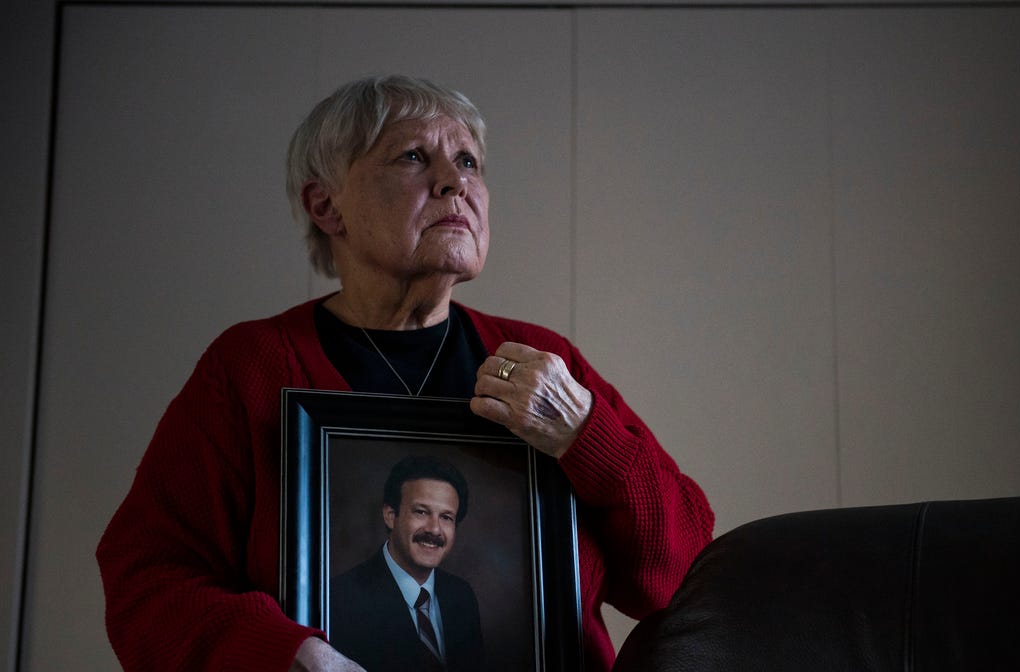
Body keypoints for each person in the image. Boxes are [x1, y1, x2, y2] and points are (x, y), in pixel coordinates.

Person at [96, 74, 714, 672]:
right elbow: (147, 578)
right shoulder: (252, 367)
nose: (455, 184)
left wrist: (588, 438)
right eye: (414, 157)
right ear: (326, 205)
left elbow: (687, 575)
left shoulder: (542, 358)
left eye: (469, 163)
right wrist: (283, 656)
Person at [330, 456, 483, 672]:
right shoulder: (340, 599)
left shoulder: (462, 597)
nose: (435, 529)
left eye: (446, 517)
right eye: (421, 512)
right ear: (390, 516)